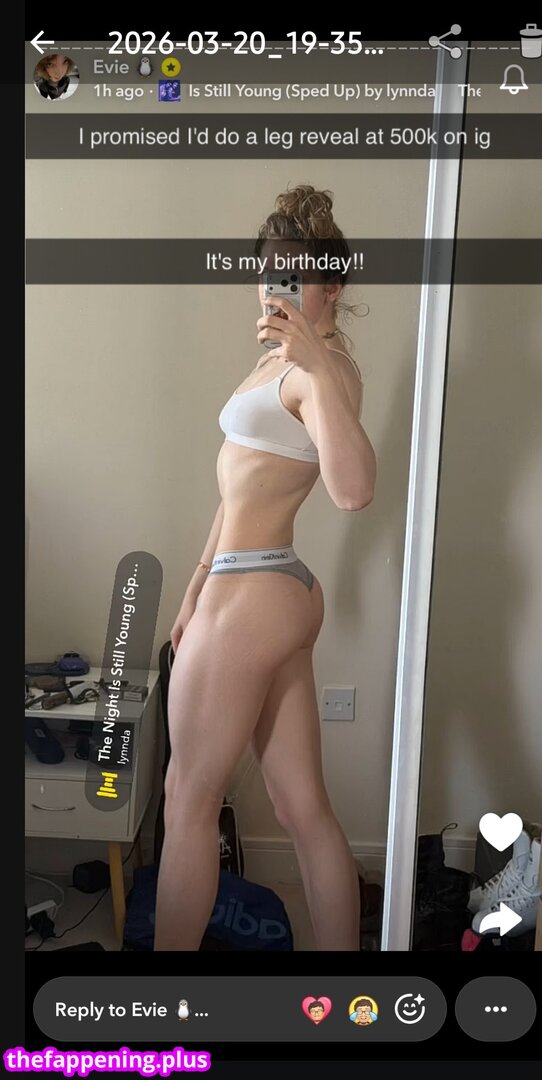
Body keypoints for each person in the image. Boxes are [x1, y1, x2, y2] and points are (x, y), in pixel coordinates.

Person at [155, 184, 377, 951]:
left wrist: (314, 360)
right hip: (263, 584)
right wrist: (192, 591)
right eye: (269, 274)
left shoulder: (323, 371)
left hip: (253, 593)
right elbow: (235, 488)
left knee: (186, 797)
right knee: (300, 808)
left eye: (296, 276)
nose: (276, 290)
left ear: (333, 288)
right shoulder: (275, 362)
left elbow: (354, 490)